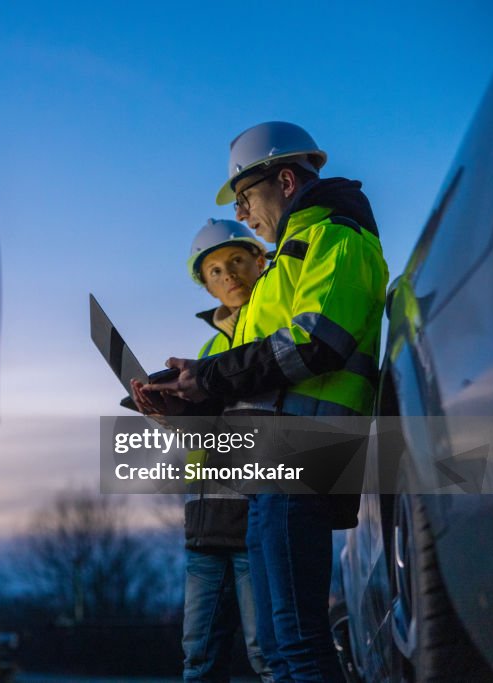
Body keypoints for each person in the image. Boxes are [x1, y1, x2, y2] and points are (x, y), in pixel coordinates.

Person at [136, 122, 388, 682]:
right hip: (273, 465)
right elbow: (259, 380)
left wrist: (211, 375)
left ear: (287, 180)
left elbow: (318, 342)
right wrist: (191, 399)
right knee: (278, 649)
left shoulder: (337, 238)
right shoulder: (286, 263)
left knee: (296, 645)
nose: (245, 215)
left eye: (247, 198)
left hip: (306, 455)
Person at [137, 219, 274, 682]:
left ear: (261, 260)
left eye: (236, 260)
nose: (228, 275)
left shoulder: (276, 325)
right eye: (214, 270)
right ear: (206, 284)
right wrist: (167, 413)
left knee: (269, 655)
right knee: (197, 659)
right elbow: (209, 434)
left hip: (260, 519)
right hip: (205, 525)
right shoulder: (210, 348)